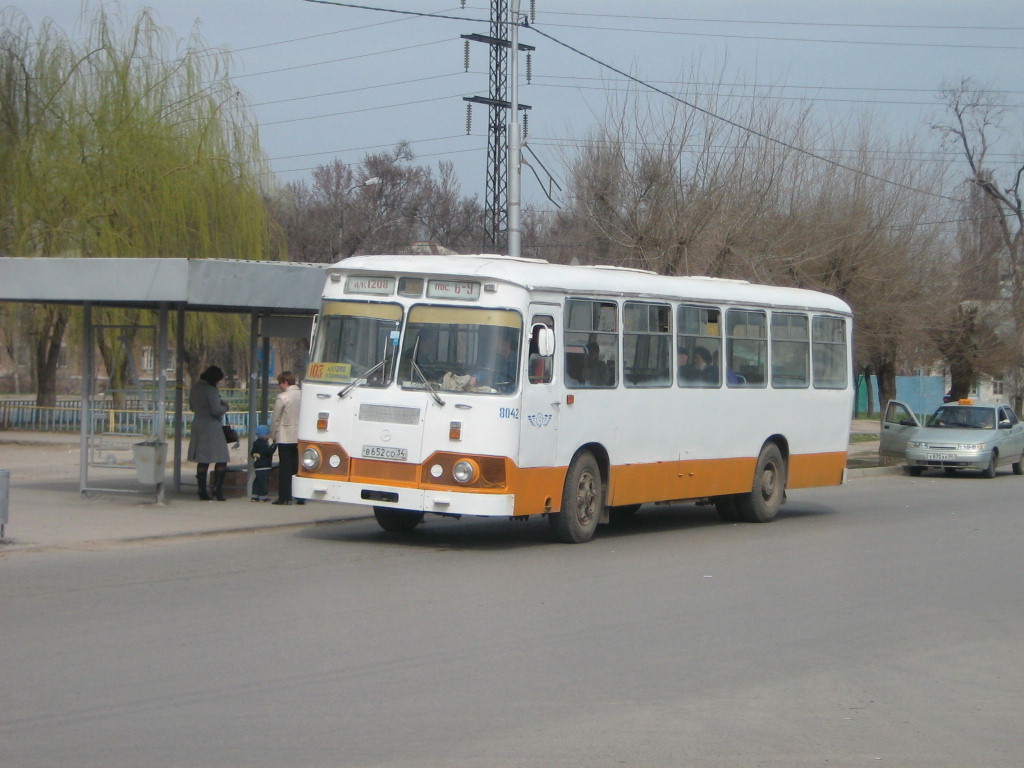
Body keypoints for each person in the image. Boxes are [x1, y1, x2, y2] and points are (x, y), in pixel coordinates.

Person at [187, 365, 230, 501]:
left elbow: (192, 407)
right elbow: (216, 410)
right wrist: (225, 406)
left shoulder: (195, 388)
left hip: (198, 423)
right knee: (222, 457)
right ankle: (217, 489)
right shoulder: (210, 390)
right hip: (212, 426)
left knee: (203, 459)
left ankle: (201, 489)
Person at [271, 370, 303, 505]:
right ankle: (300, 496)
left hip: (284, 436)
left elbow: (276, 419)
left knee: (285, 467)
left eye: (280, 383)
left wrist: (273, 435)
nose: (279, 386)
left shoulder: (282, 397)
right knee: (298, 466)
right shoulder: (303, 395)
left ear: (285, 382)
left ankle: (284, 496)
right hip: (300, 436)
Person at [250, 424, 276, 502]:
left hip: (257, 465)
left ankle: (254, 496)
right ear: (264, 435)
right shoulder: (264, 444)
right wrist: (274, 446)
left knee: (257, 481)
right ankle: (262, 496)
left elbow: (252, 453)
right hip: (265, 466)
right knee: (263, 482)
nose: (268, 436)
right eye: (268, 434)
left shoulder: (256, 444)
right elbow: (269, 452)